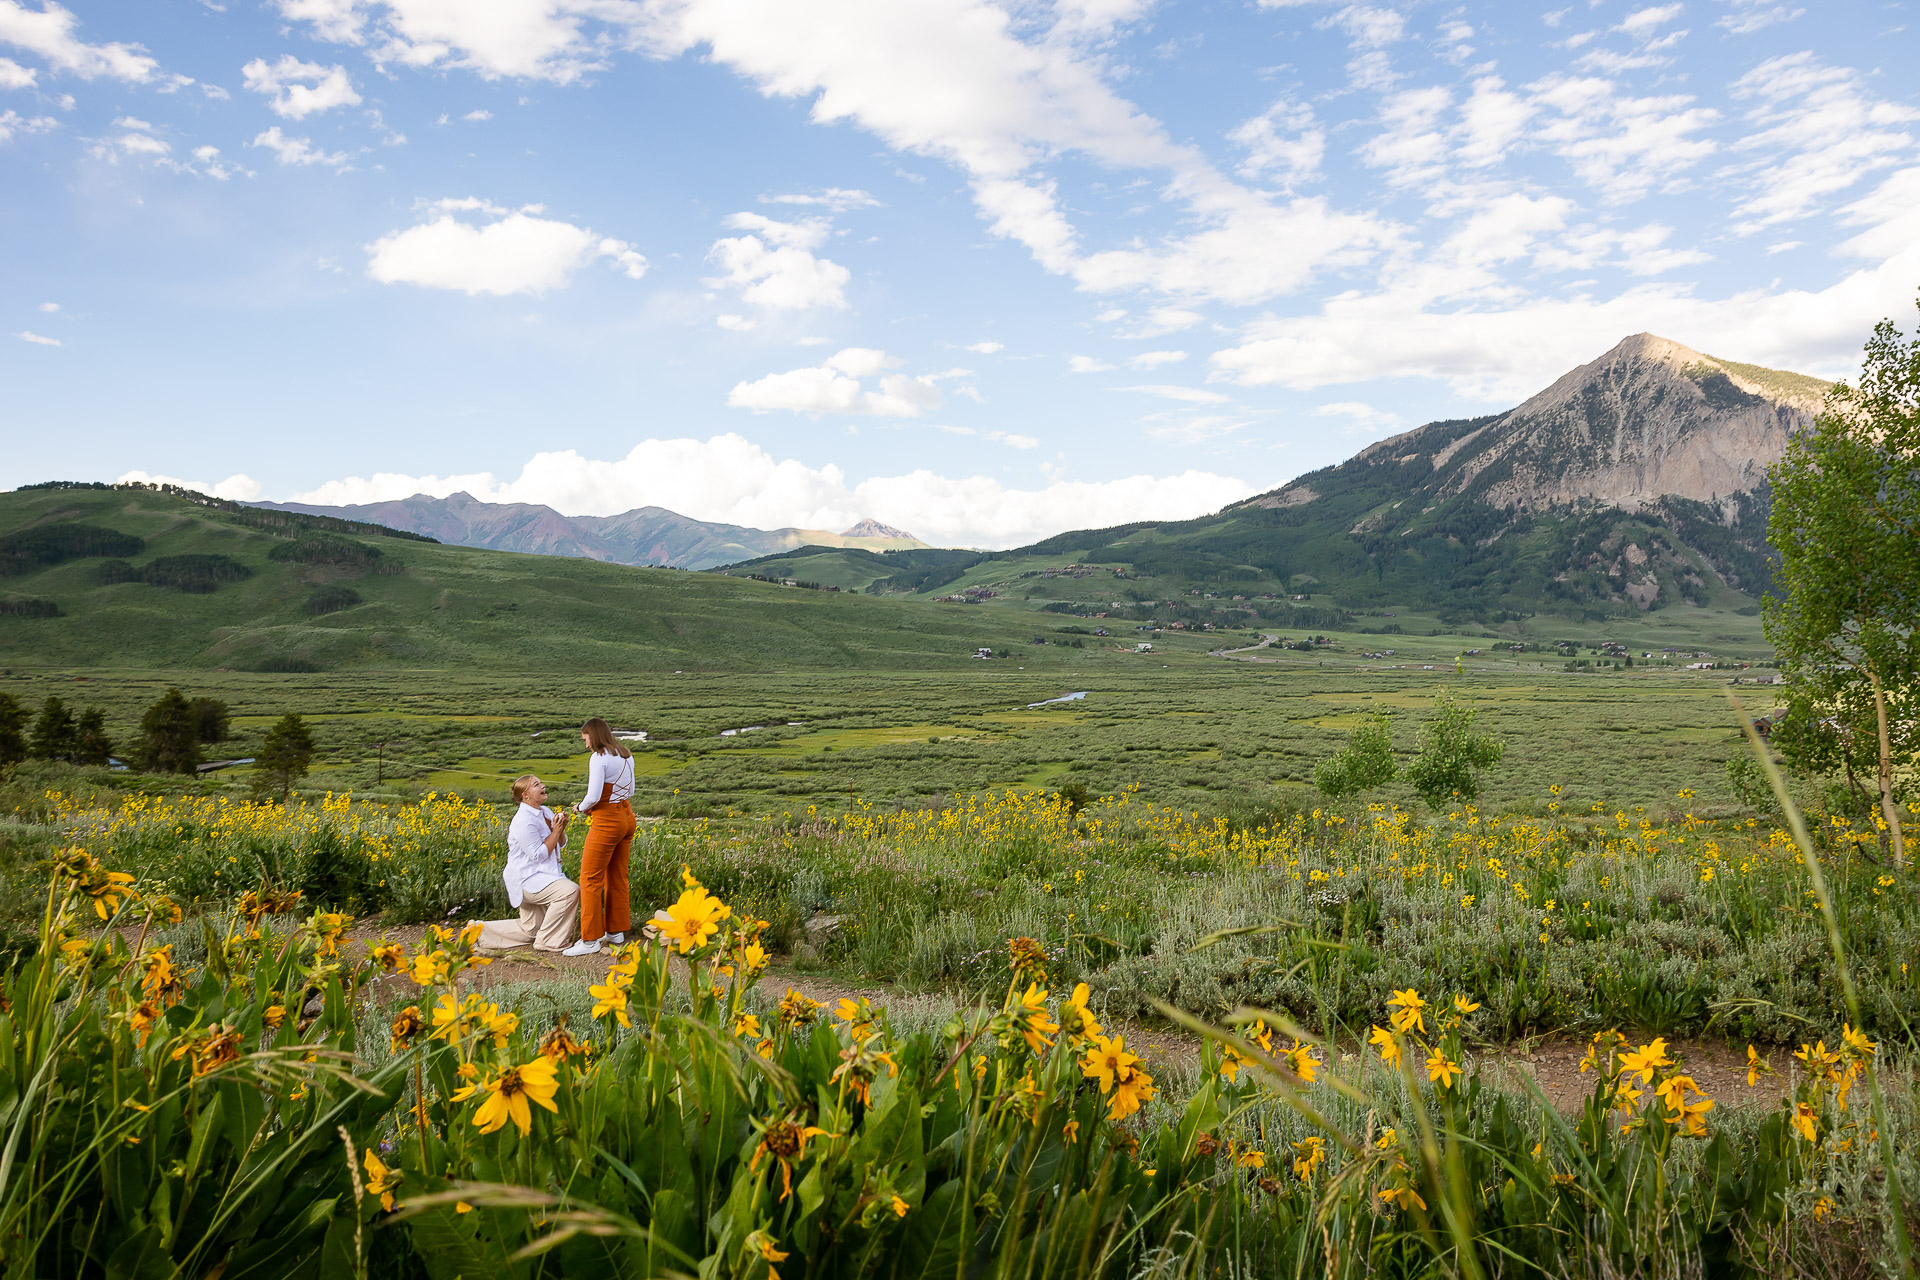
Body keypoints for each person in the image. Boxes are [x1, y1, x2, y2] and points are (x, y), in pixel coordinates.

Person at [473, 775, 580, 953]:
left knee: (531, 929)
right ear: (526, 795)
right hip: (527, 879)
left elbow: (559, 843)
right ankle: (549, 940)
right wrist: (556, 831)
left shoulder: (545, 811)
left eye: (541, 783)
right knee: (569, 891)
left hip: (543, 876)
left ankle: (477, 932)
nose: (543, 785)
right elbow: (537, 855)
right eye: (536, 785)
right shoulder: (523, 820)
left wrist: (561, 828)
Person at [563, 717, 637, 956]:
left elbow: (593, 796)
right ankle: (616, 931)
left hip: (606, 821)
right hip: (627, 817)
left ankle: (590, 939)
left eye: (586, 739)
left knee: (590, 878)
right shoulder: (626, 754)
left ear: (593, 736)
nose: (586, 745)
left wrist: (579, 808)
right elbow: (632, 790)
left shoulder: (599, 758)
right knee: (617, 875)